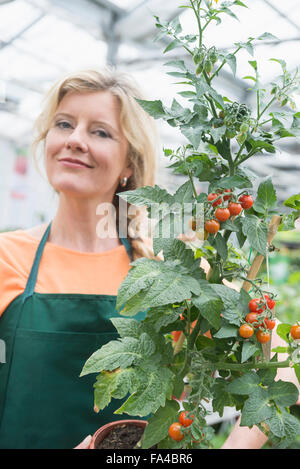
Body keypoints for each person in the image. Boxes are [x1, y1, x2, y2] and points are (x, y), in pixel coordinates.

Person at [0, 68, 159, 449]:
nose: (74, 140)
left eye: (100, 132)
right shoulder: (7, 256)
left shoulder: (163, 274)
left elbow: (279, 375)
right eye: (64, 124)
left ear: (128, 165)